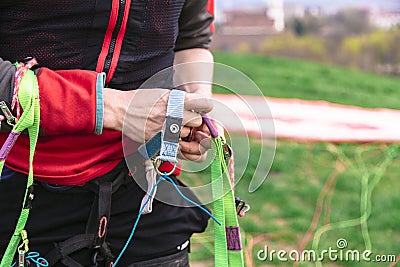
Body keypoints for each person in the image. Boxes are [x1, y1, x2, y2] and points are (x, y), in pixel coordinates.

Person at [0, 0, 216, 266]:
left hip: (143, 183)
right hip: (18, 178)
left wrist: (197, 100)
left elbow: (191, 37)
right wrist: (115, 110)